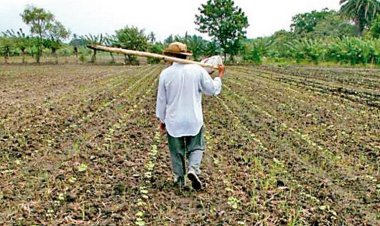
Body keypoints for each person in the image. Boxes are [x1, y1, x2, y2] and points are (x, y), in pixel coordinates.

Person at [156, 42, 225, 190]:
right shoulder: (197, 70)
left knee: (177, 151)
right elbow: (212, 90)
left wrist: (162, 120)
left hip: (174, 120)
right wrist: (219, 76)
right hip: (194, 118)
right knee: (197, 147)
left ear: (170, 56)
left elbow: (162, 100)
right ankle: (193, 169)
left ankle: (179, 180)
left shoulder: (165, 74)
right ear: (186, 54)